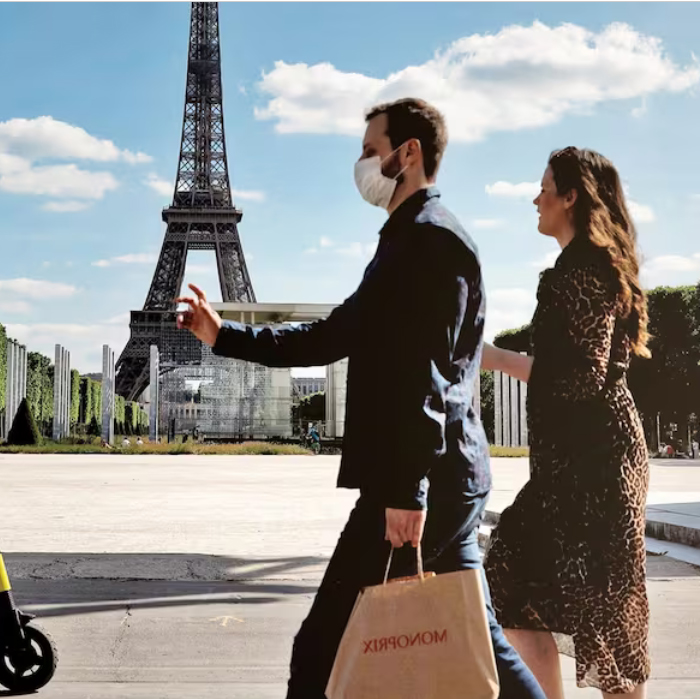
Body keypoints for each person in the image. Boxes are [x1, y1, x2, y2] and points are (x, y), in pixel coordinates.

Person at [176, 98, 544, 699]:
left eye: (370, 149)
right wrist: (223, 334)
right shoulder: (408, 239)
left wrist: (406, 491)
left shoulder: (430, 242)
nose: (362, 161)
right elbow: (336, 333)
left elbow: (429, 376)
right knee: (483, 643)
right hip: (443, 475)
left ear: (409, 153)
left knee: (321, 649)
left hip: (424, 480)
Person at [482, 148, 651, 698]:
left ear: (570, 197)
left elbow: (581, 377)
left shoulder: (578, 272)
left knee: (597, 617)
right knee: (535, 597)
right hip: (581, 464)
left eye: (544, 187)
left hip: (595, 469)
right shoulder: (591, 267)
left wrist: (492, 357)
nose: (536, 198)